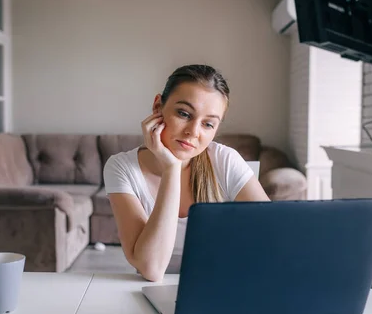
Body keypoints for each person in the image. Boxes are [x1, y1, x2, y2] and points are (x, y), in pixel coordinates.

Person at [103, 64, 270, 282]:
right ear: (157, 107)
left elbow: (273, 235)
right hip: (150, 293)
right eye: (184, 113)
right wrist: (171, 168)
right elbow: (152, 269)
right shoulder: (121, 167)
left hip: (221, 288)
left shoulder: (224, 160)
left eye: (208, 124)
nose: (193, 131)